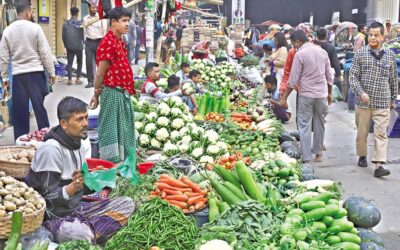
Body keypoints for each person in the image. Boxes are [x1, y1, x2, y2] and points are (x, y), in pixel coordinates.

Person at [26, 97, 134, 243]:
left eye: (86, 118)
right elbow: (44, 200)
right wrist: (70, 188)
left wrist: (108, 175)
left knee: (127, 204)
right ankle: (90, 233)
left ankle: (89, 231)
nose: (85, 124)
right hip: (54, 219)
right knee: (80, 235)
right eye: (79, 119)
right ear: (64, 123)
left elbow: (83, 186)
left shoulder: (78, 145)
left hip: (78, 210)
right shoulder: (51, 150)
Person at [0, 1, 55, 140]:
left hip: (18, 77)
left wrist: (5, 83)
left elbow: (3, 59)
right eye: (31, 11)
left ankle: (20, 141)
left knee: (20, 113)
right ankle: (46, 140)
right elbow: (45, 53)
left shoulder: (8, 31)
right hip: (35, 75)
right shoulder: (35, 28)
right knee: (39, 109)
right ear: (27, 12)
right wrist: (51, 73)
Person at [349, 22, 398, 177]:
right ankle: (362, 155)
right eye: (371, 34)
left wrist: (392, 99)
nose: (373, 38)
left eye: (377, 35)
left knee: (381, 134)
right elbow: (353, 76)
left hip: (382, 101)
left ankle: (378, 165)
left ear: (383, 37)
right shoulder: (361, 54)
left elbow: (393, 79)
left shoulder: (390, 56)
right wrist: (360, 92)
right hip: (363, 102)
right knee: (362, 132)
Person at [89, 7, 136, 163]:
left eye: (128, 21)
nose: (127, 24)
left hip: (121, 93)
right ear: (113, 22)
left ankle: (123, 162)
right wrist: (96, 93)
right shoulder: (108, 42)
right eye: (124, 21)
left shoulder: (119, 41)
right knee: (110, 130)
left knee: (123, 129)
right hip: (112, 93)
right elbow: (100, 74)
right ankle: (111, 165)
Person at [280, 30, 333, 163]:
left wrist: (284, 98)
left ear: (297, 42)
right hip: (321, 94)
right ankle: (319, 154)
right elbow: (329, 76)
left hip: (306, 95)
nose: (294, 47)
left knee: (304, 125)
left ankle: (306, 157)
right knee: (320, 123)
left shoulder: (300, 54)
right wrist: (330, 93)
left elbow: (292, 80)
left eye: (293, 44)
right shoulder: (322, 52)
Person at [83, 3, 108, 88]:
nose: (94, 9)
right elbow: (84, 30)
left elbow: (104, 30)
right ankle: (90, 81)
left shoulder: (100, 17)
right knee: (89, 62)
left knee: (100, 63)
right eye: (93, 8)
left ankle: (101, 81)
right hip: (89, 42)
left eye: (95, 8)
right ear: (89, 8)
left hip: (99, 41)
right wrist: (85, 41)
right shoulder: (85, 19)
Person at [62, 7, 84, 85]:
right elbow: (83, 35)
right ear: (78, 14)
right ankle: (77, 79)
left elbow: (63, 36)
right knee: (79, 62)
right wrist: (83, 43)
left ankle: (70, 80)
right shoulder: (81, 23)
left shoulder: (66, 23)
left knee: (70, 62)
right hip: (79, 46)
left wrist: (66, 45)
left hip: (69, 46)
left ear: (71, 13)